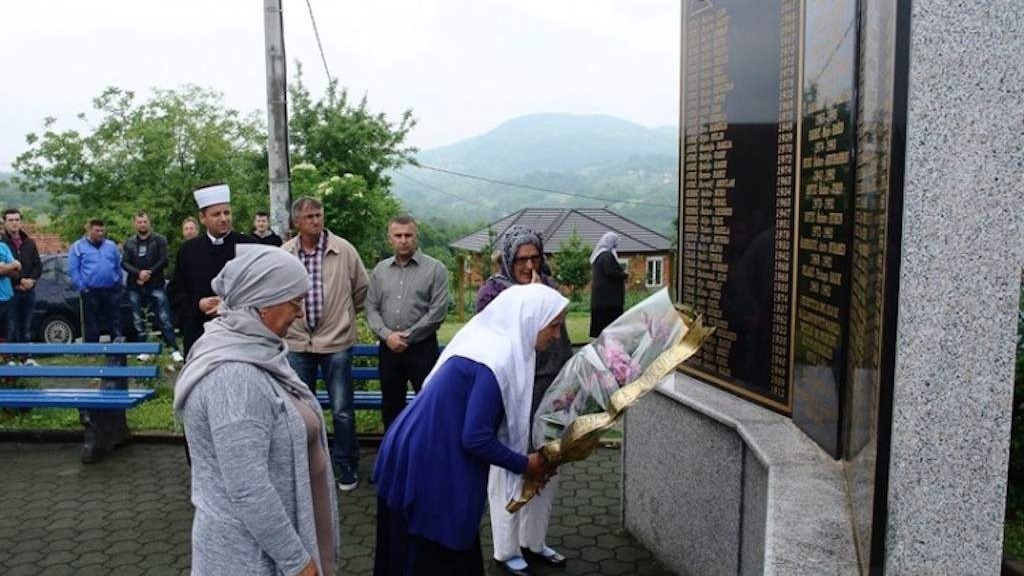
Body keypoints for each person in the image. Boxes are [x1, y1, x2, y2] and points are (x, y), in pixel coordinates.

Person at [373, 283, 567, 576]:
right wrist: (525, 464)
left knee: (416, 549)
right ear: (530, 319)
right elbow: (475, 437)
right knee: (432, 551)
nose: (556, 335)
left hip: (421, 445)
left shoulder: (491, 343)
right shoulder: (496, 358)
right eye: (553, 326)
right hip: (429, 458)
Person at [174, 245, 338, 576]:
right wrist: (298, 564)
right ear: (263, 304)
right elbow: (249, 491)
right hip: (251, 559)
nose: (301, 312)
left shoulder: (257, 352)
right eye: (295, 301)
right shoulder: (234, 377)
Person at [476, 226, 573, 575]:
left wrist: (567, 389)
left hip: (548, 393)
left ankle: (534, 541)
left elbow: (562, 341)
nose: (528, 264)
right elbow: (492, 342)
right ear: (507, 259)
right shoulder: (492, 293)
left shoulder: (550, 289)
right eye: (521, 258)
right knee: (510, 471)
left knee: (545, 467)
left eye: (535, 257)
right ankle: (506, 549)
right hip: (511, 391)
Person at [283, 196, 369, 491]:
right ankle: (307, 467)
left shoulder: (343, 250)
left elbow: (361, 290)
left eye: (319, 215)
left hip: (336, 342)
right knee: (301, 410)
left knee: (342, 409)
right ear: (297, 222)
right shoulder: (285, 254)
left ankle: (347, 466)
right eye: (309, 217)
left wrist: (343, 318)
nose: (316, 221)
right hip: (297, 343)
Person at [364, 215, 449, 430]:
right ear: (389, 239)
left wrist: (408, 336)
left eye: (408, 235)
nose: (403, 240)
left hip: (422, 349)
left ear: (416, 237)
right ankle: (393, 457)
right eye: (398, 235)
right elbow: (371, 307)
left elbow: (437, 312)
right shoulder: (380, 271)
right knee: (391, 407)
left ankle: (426, 456)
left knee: (428, 405)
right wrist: (387, 335)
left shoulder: (435, 269)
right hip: (388, 349)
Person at [168, 183, 255, 355]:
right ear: (202, 217)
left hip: (241, 337)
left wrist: (227, 305)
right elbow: (175, 293)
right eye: (216, 214)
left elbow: (260, 292)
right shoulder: (188, 251)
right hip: (200, 336)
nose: (223, 218)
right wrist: (198, 304)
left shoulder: (249, 246)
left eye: (227, 213)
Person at [122, 211, 184, 363]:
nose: (142, 224)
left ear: (149, 223)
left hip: (156, 283)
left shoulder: (159, 240)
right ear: (134, 224)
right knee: (138, 319)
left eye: (144, 222)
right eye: (139, 222)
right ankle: (144, 349)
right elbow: (124, 262)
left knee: (164, 317)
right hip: (135, 286)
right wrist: (139, 274)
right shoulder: (129, 242)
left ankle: (173, 349)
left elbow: (164, 259)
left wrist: (149, 273)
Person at [68, 219, 123, 343]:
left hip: (111, 289)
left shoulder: (111, 246)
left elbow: (117, 265)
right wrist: (82, 287)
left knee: (115, 320)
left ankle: (117, 349)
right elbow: (73, 269)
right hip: (90, 290)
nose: (100, 233)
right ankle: (92, 350)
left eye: (102, 230)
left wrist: (118, 281)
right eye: (97, 230)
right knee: (91, 322)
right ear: (89, 230)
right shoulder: (78, 247)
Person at [1, 209, 41, 352]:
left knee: (26, 326)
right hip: (10, 292)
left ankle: (26, 357)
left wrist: (31, 280)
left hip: (29, 291)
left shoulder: (29, 242)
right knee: (10, 327)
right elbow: (6, 268)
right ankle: (10, 358)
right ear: (4, 223)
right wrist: (19, 282)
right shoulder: (2, 244)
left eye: (17, 220)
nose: (14, 223)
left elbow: (37, 265)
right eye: (10, 220)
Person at [589, 231, 628, 338]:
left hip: (601, 301)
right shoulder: (607, 256)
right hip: (609, 301)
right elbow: (611, 272)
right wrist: (624, 275)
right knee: (610, 330)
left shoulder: (599, 256)